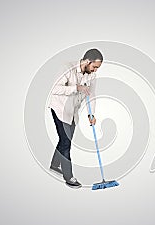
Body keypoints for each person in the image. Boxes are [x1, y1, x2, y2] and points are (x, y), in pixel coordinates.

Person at [48, 49, 103, 188]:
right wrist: (76, 87)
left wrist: (92, 114)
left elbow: (91, 95)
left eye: (97, 68)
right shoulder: (67, 68)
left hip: (72, 111)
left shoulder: (91, 76)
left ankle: (54, 165)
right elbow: (55, 89)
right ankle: (69, 177)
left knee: (65, 139)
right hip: (60, 109)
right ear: (87, 61)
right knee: (66, 141)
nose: (95, 70)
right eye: (94, 66)